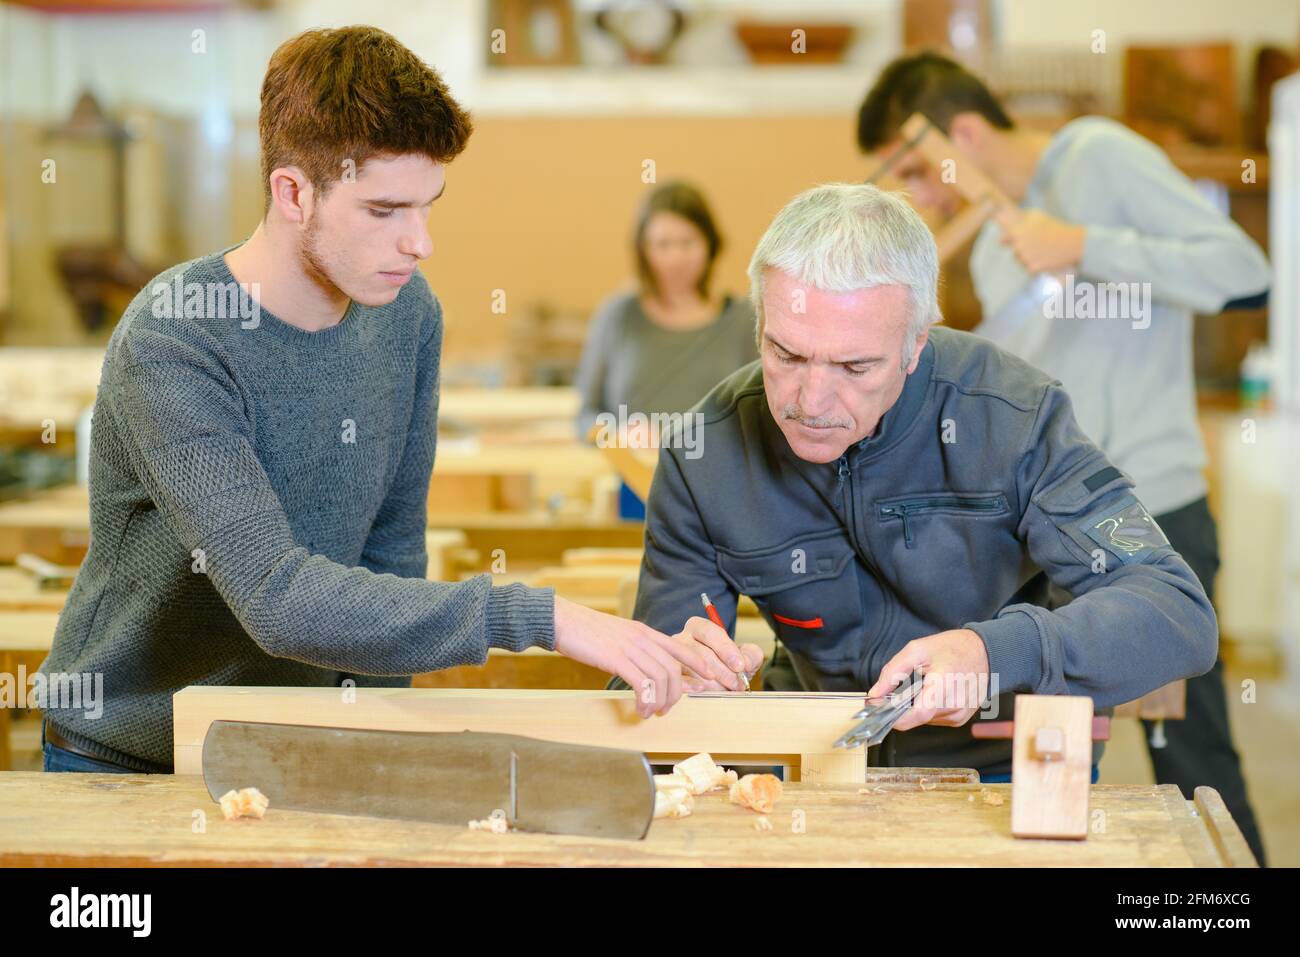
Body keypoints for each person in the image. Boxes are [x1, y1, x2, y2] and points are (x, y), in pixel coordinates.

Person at [37, 26, 741, 775]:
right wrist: (543, 617)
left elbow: (393, 558)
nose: (419, 242)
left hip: (302, 746)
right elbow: (276, 597)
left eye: (427, 206)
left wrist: (372, 751)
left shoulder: (407, 316)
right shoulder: (176, 334)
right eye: (384, 211)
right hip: (131, 753)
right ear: (293, 193)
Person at [630, 183, 1218, 780]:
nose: (810, 401)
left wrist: (991, 653)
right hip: (813, 757)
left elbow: (1176, 613)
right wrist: (678, 679)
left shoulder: (1013, 418)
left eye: (855, 366)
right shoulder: (704, 451)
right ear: (760, 323)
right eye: (786, 355)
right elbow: (650, 689)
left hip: (1001, 762)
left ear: (916, 344)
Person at [855, 51, 1269, 862]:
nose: (920, 196)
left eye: (917, 169)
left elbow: (1245, 272)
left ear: (963, 133)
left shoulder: (1096, 155)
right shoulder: (992, 248)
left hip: (1152, 509)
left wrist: (1083, 242)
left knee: (1193, 755)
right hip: (1049, 527)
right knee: (1053, 748)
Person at [574, 181, 757, 445]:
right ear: (643, 250)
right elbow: (585, 416)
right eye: (663, 245)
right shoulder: (617, 317)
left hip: (715, 469)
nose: (675, 258)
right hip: (631, 467)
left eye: (687, 243)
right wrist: (618, 434)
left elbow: (759, 417)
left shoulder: (742, 320)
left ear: (710, 244)